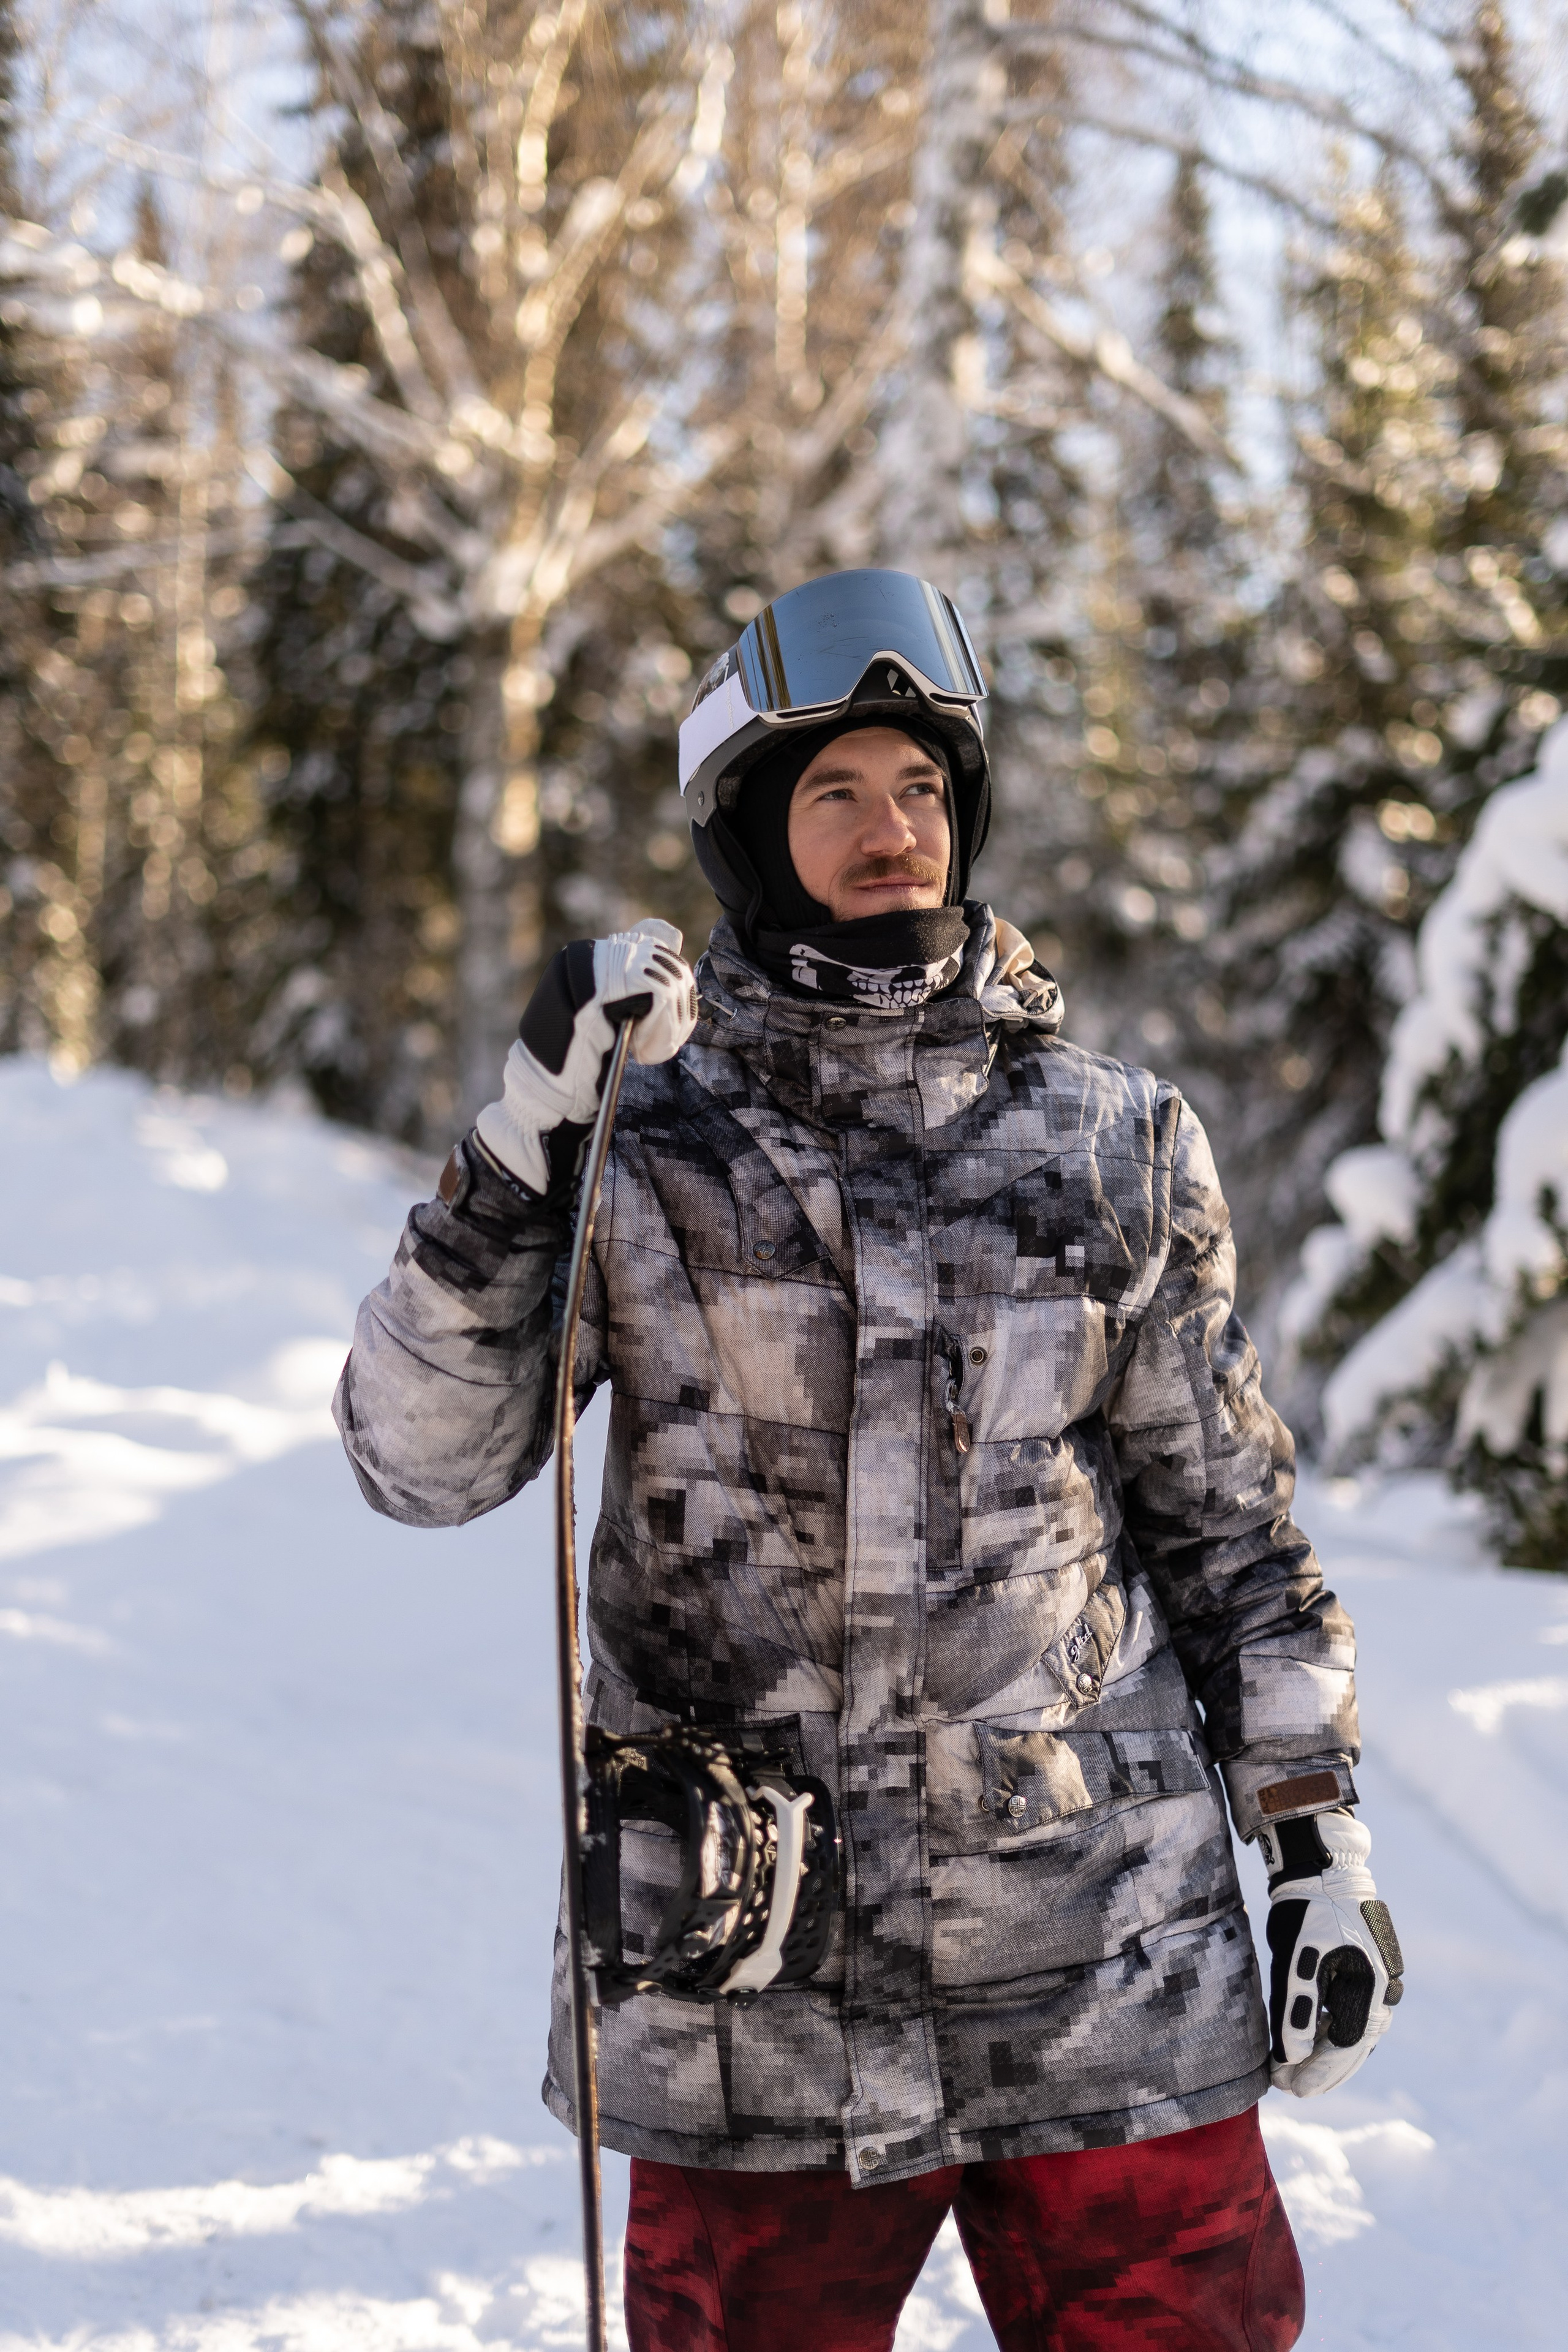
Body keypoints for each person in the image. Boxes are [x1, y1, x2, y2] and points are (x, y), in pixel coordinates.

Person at [336, 570, 1403, 2351]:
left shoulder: (1114, 1142)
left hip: (1107, 1971)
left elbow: (1229, 1531)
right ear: (752, 833)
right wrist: (514, 1155)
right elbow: (419, 1460)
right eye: (832, 790)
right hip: (751, 1993)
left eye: (921, 784)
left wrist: (1314, 1836)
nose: (890, 825)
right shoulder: (638, 1141)